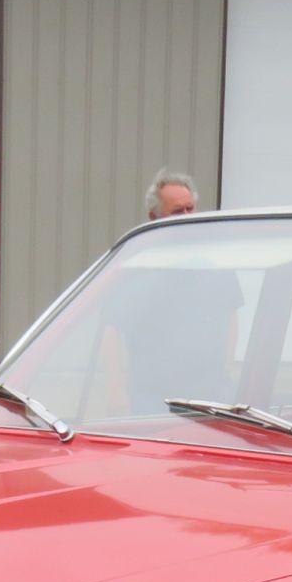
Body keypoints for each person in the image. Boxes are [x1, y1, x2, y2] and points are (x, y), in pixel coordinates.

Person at [92, 168, 242, 414]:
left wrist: (228, 368)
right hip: (152, 400)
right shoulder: (135, 267)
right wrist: (115, 389)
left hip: (211, 395)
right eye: (177, 211)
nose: (187, 216)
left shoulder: (216, 264)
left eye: (190, 208)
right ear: (155, 216)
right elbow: (111, 331)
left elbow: (231, 316)